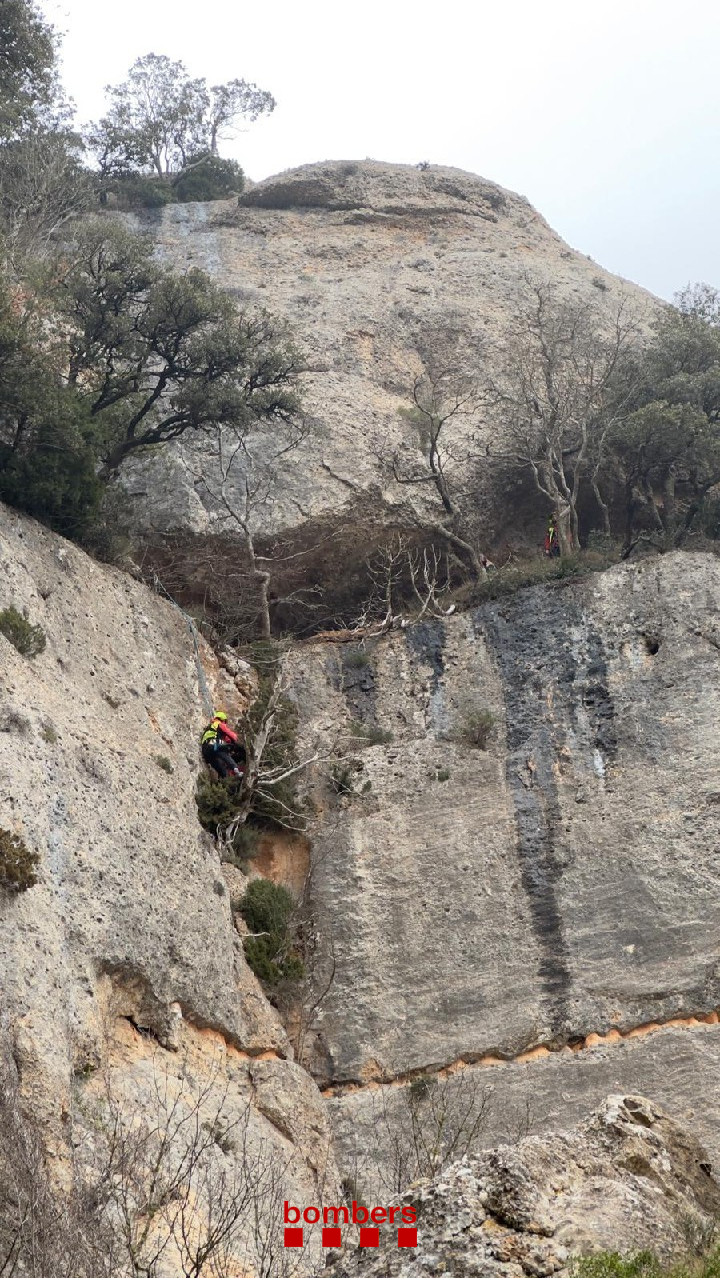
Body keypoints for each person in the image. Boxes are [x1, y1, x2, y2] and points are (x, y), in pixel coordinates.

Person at [200, 711, 246, 780]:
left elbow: (226, 739)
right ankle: (236, 770)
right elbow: (233, 736)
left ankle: (224, 779)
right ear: (222, 720)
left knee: (221, 769)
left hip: (206, 751)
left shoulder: (211, 727)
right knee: (224, 751)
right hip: (213, 746)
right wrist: (235, 744)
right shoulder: (219, 724)